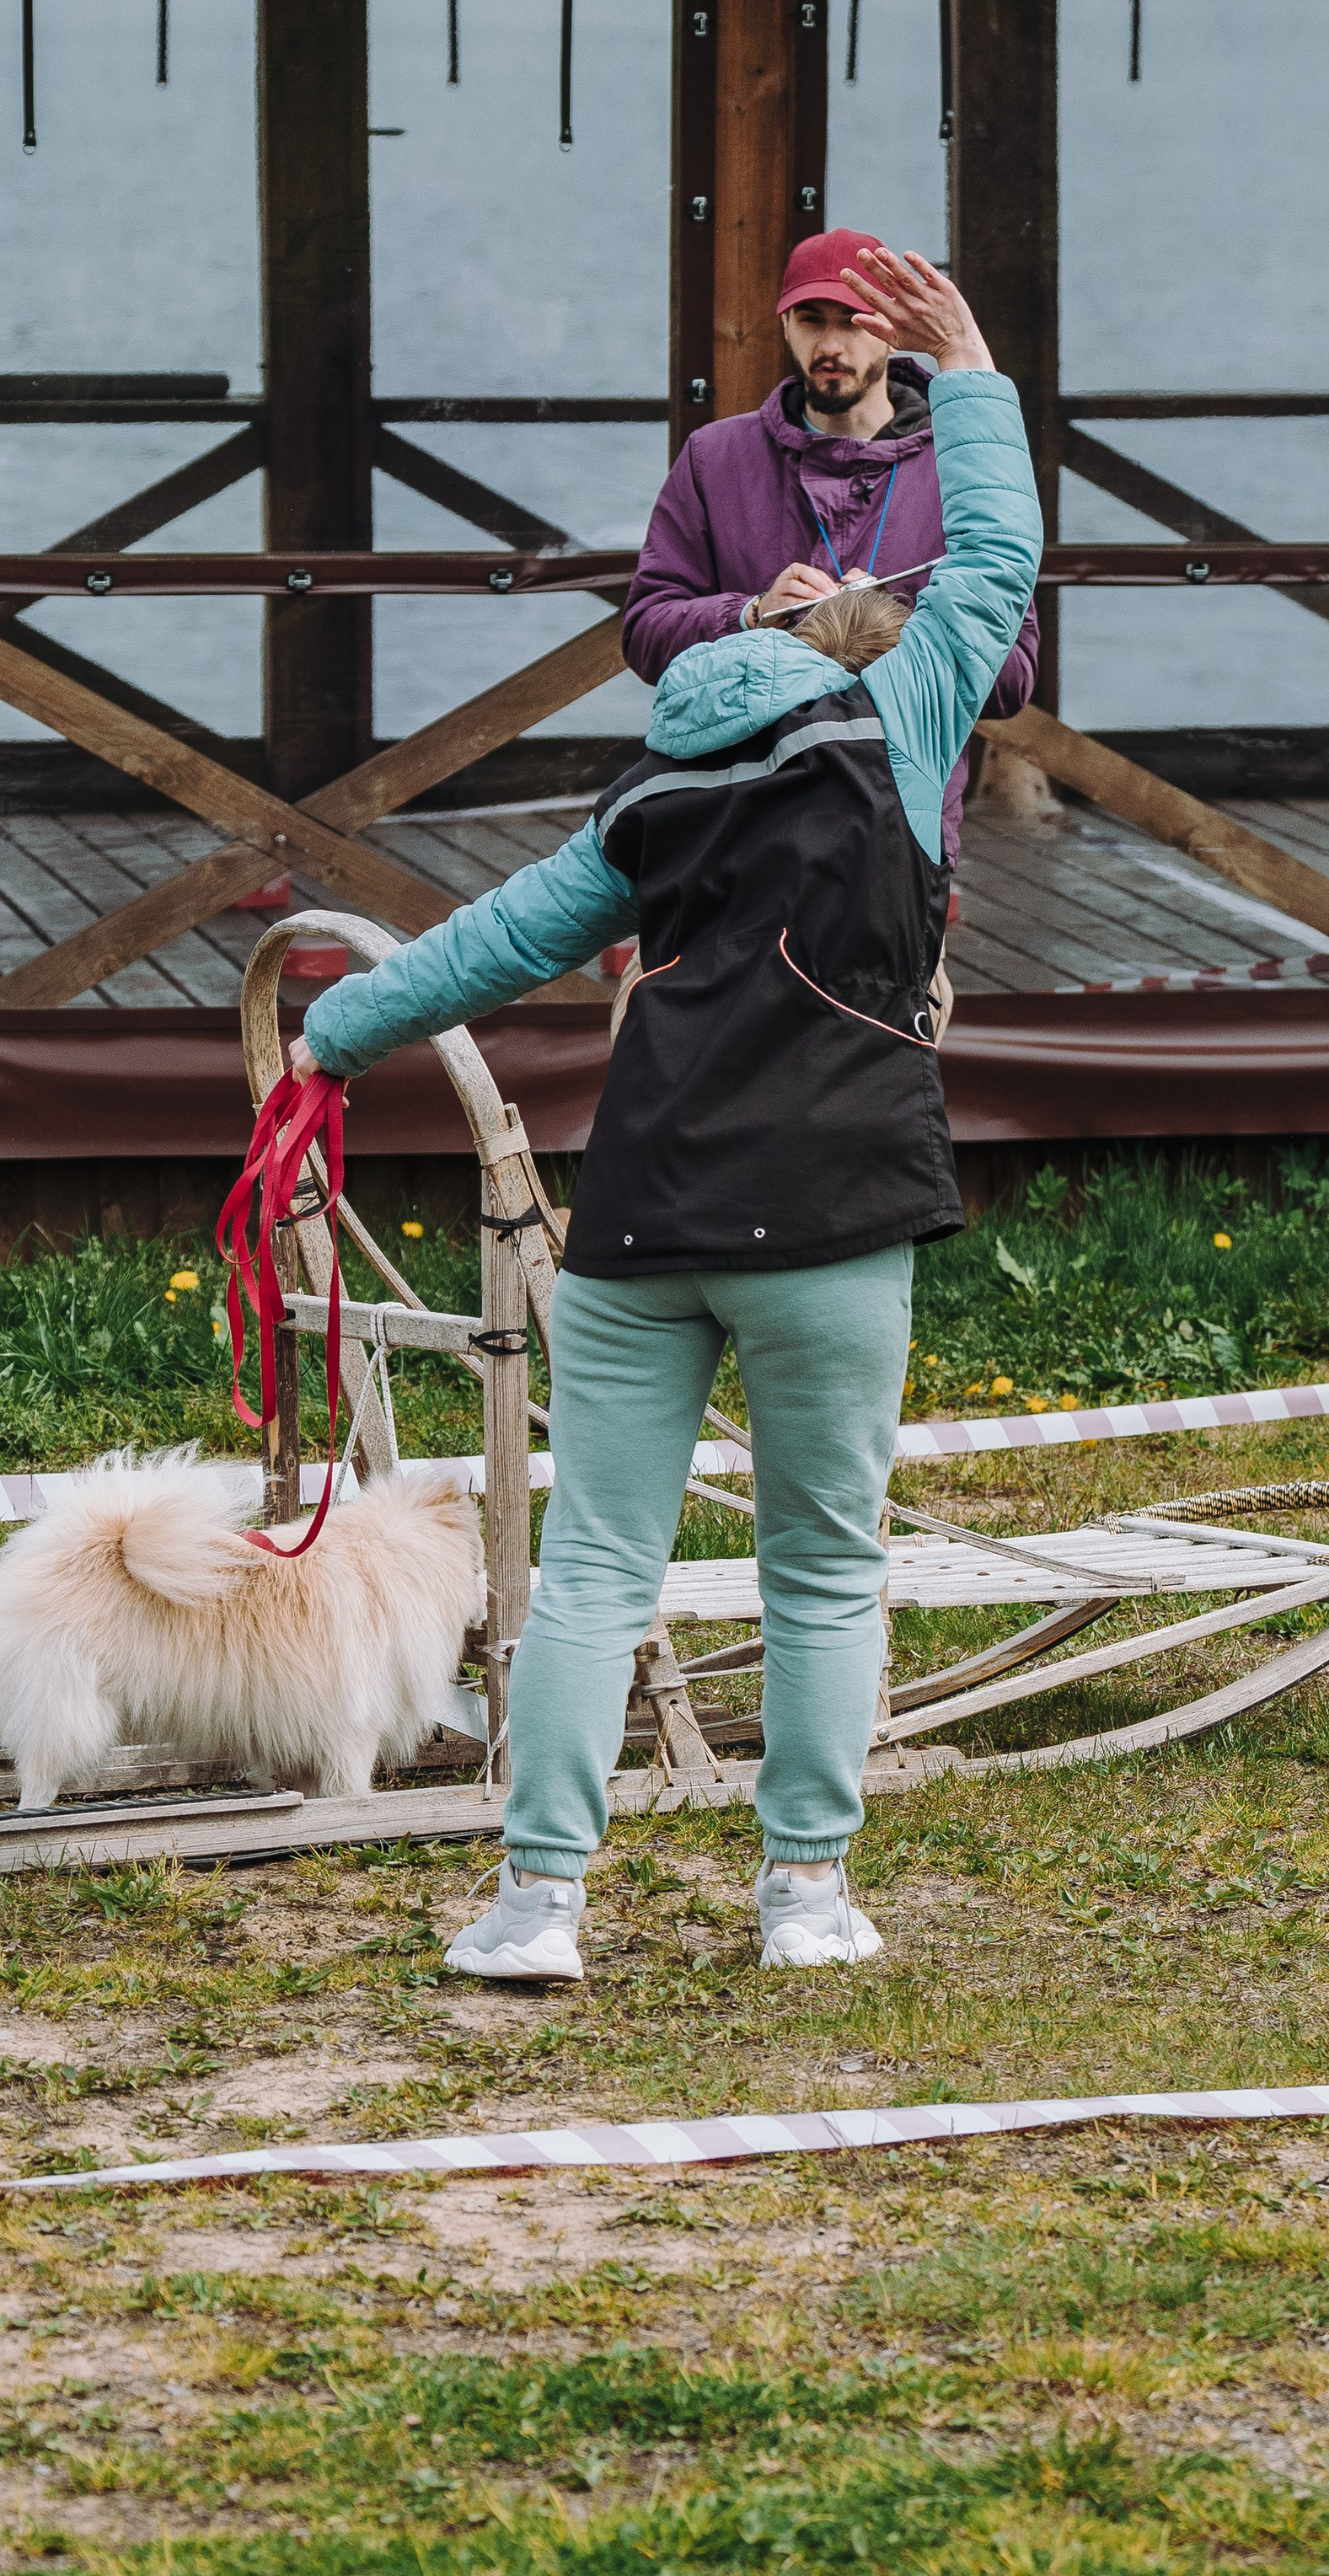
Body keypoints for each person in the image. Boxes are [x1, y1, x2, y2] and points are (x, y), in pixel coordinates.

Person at [288, 247, 1042, 1984]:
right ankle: (804, 1893)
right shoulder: (890, 718)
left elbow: (468, 949)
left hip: (642, 1214)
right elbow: (991, 568)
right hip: (836, 1209)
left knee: (589, 1568)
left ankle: (533, 1902)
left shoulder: (639, 800)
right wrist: (973, 367)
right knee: (821, 1566)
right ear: (830, 652)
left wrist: (327, 1035)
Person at [622, 224, 1042, 867]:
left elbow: (1011, 679)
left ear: (890, 328)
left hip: (894, 836)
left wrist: (888, 630)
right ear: (784, 325)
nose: (831, 343)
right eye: (810, 320)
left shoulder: (958, 463)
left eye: (853, 321)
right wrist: (751, 614)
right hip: (726, 829)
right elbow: (645, 634)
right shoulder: (714, 457)